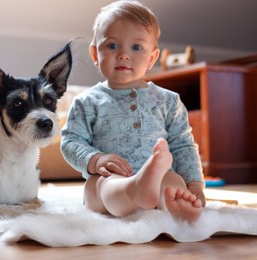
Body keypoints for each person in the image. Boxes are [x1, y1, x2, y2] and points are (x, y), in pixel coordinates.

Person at [61, 0, 205, 223]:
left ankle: (177, 206)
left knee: (173, 181)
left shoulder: (168, 101)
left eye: (136, 47)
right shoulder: (87, 102)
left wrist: (194, 184)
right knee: (101, 187)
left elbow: (182, 145)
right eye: (111, 46)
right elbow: (71, 142)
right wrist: (96, 160)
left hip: (160, 180)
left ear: (152, 58)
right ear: (94, 54)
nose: (123, 55)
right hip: (110, 179)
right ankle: (135, 190)